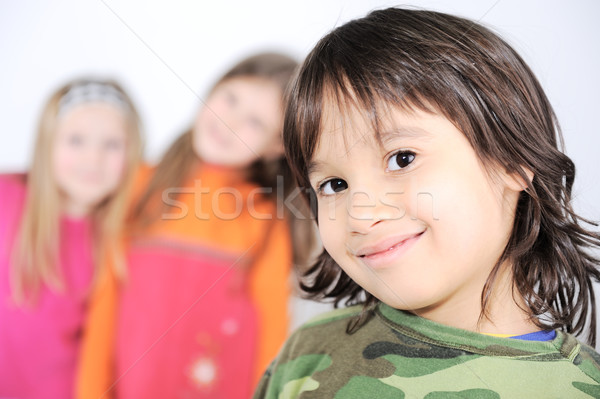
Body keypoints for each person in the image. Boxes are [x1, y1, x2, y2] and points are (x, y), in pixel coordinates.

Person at [254, 7, 600, 398]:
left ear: (512, 160)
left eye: (402, 158)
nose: (361, 215)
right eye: (334, 184)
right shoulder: (307, 354)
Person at [80, 52, 314, 399]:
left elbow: (272, 329)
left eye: (254, 122)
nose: (230, 120)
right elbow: (104, 303)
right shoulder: (140, 185)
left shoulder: (266, 217)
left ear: (276, 146)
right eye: (230, 98)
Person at [0, 78, 142, 399]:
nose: (92, 159)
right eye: (75, 140)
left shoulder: (123, 240)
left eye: (112, 144)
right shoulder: (5, 199)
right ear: (47, 144)